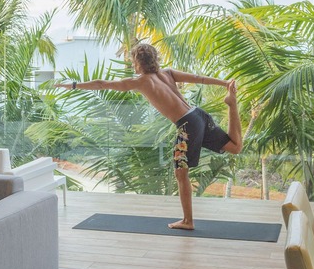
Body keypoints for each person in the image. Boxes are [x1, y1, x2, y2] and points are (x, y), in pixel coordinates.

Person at [62, 42, 243, 230]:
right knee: (235, 146)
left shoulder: (140, 81)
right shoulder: (168, 73)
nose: (133, 65)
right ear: (154, 59)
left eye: (133, 61)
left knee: (181, 173)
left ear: (138, 63)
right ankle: (232, 104)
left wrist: (74, 85)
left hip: (188, 125)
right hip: (198, 115)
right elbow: (199, 78)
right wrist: (225, 84)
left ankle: (188, 221)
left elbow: (102, 84)